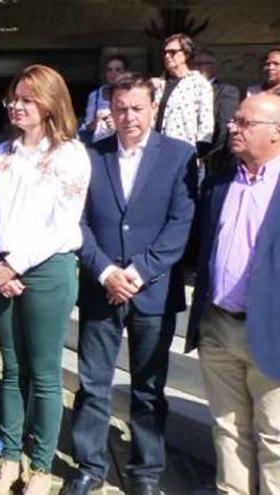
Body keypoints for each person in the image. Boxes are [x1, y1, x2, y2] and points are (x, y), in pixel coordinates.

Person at [62, 74, 197, 495]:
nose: (129, 116)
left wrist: (136, 273)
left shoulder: (180, 156)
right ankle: (89, 465)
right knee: (93, 384)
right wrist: (105, 271)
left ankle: (145, 473)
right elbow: (76, 221)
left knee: (149, 389)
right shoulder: (91, 153)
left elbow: (181, 224)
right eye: (121, 108)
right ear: (110, 109)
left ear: (153, 108)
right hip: (102, 288)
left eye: (137, 108)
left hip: (151, 291)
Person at [0, 64, 90, 495]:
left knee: (43, 374)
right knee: (10, 369)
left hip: (46, 272)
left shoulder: (70, 155)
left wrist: (14, 264)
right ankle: (8, 459)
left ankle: (40, 467)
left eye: (27, 99)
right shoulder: (1, 152)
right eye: (13, 99)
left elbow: (63, 225)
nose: (17, 106)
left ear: (50, 103)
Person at [185, 93, 280, 495]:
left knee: (275, 438)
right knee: (227, 429)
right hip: (219, 327)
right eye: (234, 120)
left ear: (276, 133)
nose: (232, 127)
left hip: (272, 331)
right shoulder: (221, 181)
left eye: (244, 123)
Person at [154, 34, 214, 156]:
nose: (167, 56)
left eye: (172, 52)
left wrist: (200, 150)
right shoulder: (159, 84)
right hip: (156, 148)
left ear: (186, 54)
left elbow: (206, 120)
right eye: (165, 52)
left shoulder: (198, 83)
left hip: (183, 150)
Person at [193, 48, 241, 176]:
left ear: (214, 67)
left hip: (211, 159)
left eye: (202, 64)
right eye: (194, 64)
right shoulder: (185, 91)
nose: (197, 68)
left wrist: (204, 154)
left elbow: (223, 127)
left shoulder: (227, 91)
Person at [82, 55, 129, 142]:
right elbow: (87, 126)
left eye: (118, 70)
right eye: (109, 70)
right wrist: (98, 121)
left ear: (125, 72)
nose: (113, 73)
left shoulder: (131, 94)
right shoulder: (95, 95)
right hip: (100, 144)